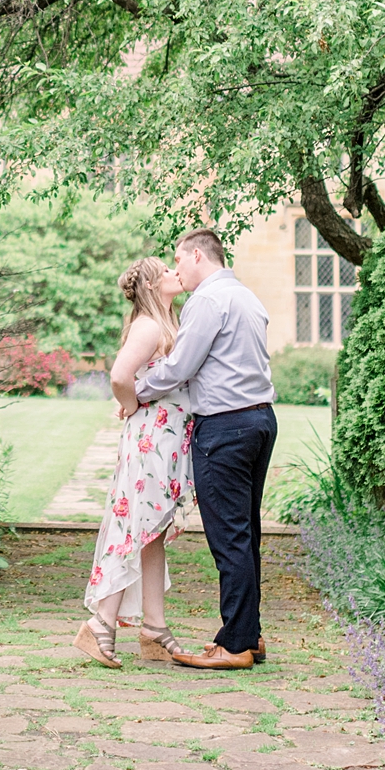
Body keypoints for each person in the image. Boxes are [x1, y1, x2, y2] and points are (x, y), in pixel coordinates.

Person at [133, 227, 275, 670]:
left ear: (197, 256)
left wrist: (138, 390)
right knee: (245, 534)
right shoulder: (248, 297)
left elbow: (179, 366)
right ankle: (247, 636)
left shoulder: (207, 301)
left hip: (225, 428)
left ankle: (234, 647)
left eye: (179, 260)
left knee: (229, 538)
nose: (176, 269)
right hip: (260, 420)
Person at [74, 257, 197, 669]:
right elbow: (119, 377)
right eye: (164, 271)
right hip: (151, 441)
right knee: (134, 529)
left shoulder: (167, 322)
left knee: (152, 532)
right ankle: (101, 624)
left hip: (165, 440)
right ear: (149, 285)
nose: (173, 273)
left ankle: (155, 630)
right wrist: (131, 406)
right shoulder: (148, 326)